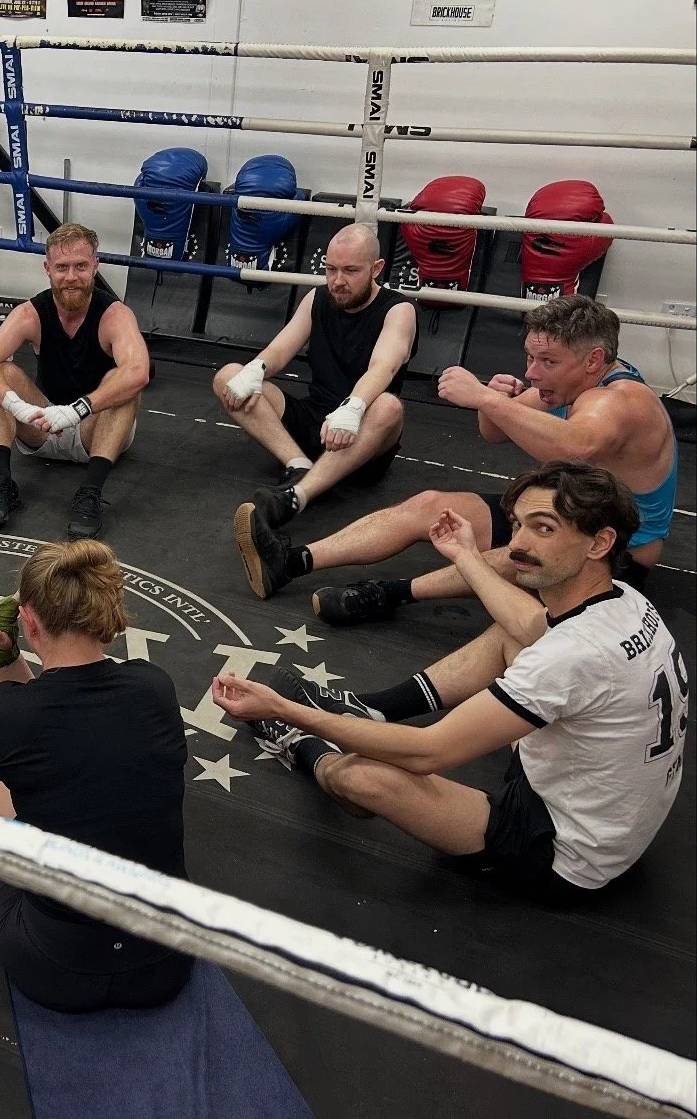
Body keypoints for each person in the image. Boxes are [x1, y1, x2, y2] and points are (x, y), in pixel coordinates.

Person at [212, 461, 688, 903]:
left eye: (544, 529)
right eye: (518, 525)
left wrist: (285, 710)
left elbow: (428, 752)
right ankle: (372, 710)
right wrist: (465, 554)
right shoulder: (625, 600)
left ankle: (300, 744)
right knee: (513, 630)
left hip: (563, 852)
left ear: (599, 543)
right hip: (608, 809)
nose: (519, 544)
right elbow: (528, 628)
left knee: (359, 776)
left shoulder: (573, 656)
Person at [246, 295, 679, 618]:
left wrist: (481, 398)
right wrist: (491, 400)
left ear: (594, 360)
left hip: (612, 554)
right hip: (558, 516)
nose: (531, 372)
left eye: (546, 360)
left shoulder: (619, 401)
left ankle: (389, 594)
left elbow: (576, 445)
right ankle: (291, 561)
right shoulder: (568, 384)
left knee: (506, 558)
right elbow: (492, 433)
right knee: (428, 505)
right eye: (529, 356)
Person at [0, 540, 192, 1012]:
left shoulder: (8, 712)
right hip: (167, 964)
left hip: (54, 969)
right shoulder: (155, 687)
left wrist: (3, 662)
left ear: (29, 621)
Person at [218, 223, 415, 594]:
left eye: (350, 271)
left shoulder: (399, 310)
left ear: (376, 269)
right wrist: (255, 371)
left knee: (389, 406)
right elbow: (280, 349)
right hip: (315, 422)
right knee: (229, 376)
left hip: (362, 436)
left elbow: (384, 366)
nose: (338, 281)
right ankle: (298, 465)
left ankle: (297, 497)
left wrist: (354, 407)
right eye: (331, 269)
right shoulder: (318, 298)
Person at [0, 221, 150, 539]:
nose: (71, 277)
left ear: (95, 265)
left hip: (96, 429)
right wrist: (18, 407)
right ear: (47, 269)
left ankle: (91, 492)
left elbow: (138, 372)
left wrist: (78, 410)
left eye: (81, 266)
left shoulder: (114, 315)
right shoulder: (31, 313)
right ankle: (0, 483)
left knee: (122, 383)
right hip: (41, 426)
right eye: (62, 267)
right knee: (0, 375)